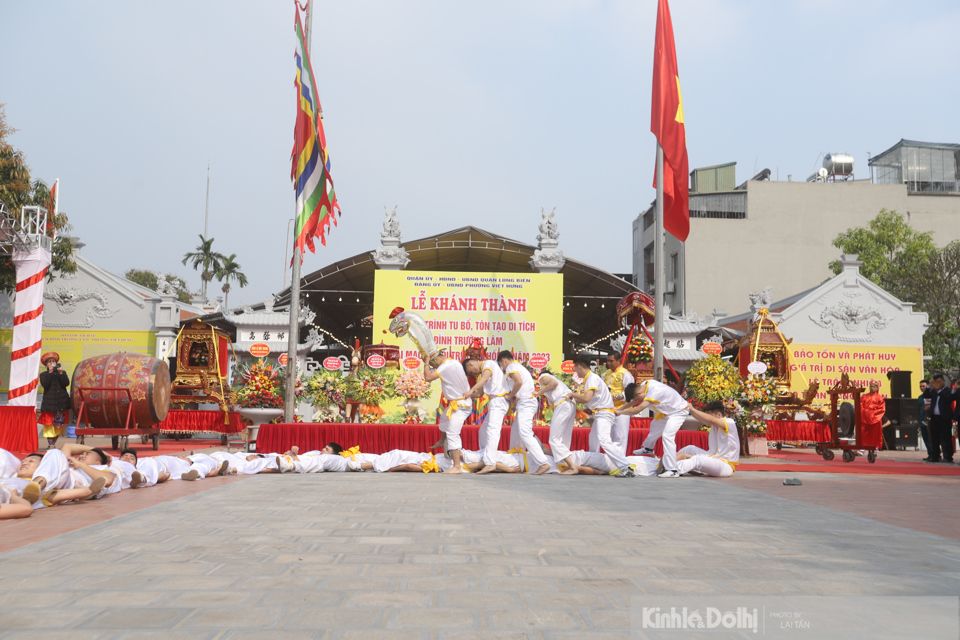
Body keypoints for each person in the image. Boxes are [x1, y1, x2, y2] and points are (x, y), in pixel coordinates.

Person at [568, 354, 635, 477]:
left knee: (605, 440)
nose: (575, 371)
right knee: (594, 440)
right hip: (601, 413)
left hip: (606, 412)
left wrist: (571, 395)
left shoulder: (592, 378)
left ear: (579, 366)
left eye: (574, 368)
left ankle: (625, 466)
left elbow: (586, 398)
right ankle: (594, 463)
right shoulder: (595, 377)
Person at [617, 377, 691, 478]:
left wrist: (620, 413)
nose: (640, 401)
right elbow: (634, 402)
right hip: (666, 412)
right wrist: (619, 409)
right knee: (654, 427)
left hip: (679, 411)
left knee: (667, 436)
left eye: (639, 399)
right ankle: (648, 448)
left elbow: (636, 410)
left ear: (639, 393)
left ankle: (673, 470)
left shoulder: (654, 392)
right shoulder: (644, 384)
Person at [499, 351, 549, 475]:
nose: (502, 368)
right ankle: (517, 457)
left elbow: (519, 382)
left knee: (525, 432)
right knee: (516, 431)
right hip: (525, 402)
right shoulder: (518, 366)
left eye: (501, 364)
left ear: (504, 360)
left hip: (526, 402)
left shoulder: (511, 367)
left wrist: (510, 396)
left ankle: (543, 463)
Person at [424, 353, 473, 474]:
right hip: (459, 403)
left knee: (452, 433)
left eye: (432, 363)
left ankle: (457, 467)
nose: (432, 366)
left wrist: (425, 362)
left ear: (436, 359)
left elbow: (428, 377)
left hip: (460, 405)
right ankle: (442, 440)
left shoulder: (445, 366)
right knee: (445, 419)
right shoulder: (454, 362)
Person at [461, 358, 511, 474]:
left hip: (499, 400)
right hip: (495, 401)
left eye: (470, 372)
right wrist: (464, 396)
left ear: (471, 364)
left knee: (492, 431)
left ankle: (490, 463)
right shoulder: (484, 372)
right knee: (483, 430)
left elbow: (484, 379)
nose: (473, 374)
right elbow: (480, 394)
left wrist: (470, 390)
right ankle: (485, 457)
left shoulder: (488, 364)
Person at [674, 401, 740, 477]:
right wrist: (690, 410)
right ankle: (669, 461)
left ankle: (672, 469)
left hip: (725, 466)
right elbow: (701, 418)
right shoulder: (714, 425)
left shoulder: (729, 422)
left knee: (697, 459)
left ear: (719, 415)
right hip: (713, 458)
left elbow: (712, 419)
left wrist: (693, 409)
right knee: (689, 448)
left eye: (708, 415)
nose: (707, 418)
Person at [534, 371, 577, 475]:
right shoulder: (561, 386)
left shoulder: (543, 377)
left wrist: (538, 392)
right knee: (564, 441)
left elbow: (553, 383)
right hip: (570, 404)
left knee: (554, 439)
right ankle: (561, 461)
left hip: (563, 403)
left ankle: (572, 467)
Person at [38, 352, 72, 449]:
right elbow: (45, 384)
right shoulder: (44, 375)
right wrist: (50, 373)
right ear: (46, 365)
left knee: (60, 426)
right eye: (49, 362)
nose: (51, 363)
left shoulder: (62, 373)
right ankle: (51, 444)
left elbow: (66, 383)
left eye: (53, 361)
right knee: (49, 425)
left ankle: (53, 442)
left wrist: (61, 373)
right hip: (49, 404)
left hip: (61, 403)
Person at [603, 352, 635, 456]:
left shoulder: (625, 374)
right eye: (607, 361)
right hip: (608, 409)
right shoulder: (605, 374)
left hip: (622, 409)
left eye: (611, 361)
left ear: (618, 361)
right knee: (609, 437)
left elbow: (629, 393)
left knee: (620, 437)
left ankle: (620, 460)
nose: (608, 363)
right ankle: (610, 461)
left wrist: (614, 396)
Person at [922, 375, 955, 463]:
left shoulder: (948, 391)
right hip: (934, 417)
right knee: (934, 438)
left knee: (946, 438)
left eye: (940, 382)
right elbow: (925, 395)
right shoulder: (933, 391)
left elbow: (948, 399)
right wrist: (929, 386)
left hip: (945, 418)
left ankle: (948, 457)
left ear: (944, 381)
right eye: (936, 382)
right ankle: (935, 456)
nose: (938, 384)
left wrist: (938, 390)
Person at [859, 381, 886, 452]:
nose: (872, 388)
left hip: (875, 419)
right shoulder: (864, 396)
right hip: (864, 418)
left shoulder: (879, 398)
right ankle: (862, 447)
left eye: (874, 386)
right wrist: (866, 413)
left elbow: (882, 409)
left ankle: (875, 447)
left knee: (875, 434)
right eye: (871, 386)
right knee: (863, 433)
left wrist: (871, 414)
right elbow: (860, 405)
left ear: (877, 388)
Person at [918, 379, 932, 460]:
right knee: (925, 438)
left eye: (923, 386)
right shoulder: (920, 397)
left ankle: (935, 454)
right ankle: (930, 454)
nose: (922, 388)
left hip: (930, 421)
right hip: (922, 420)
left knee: (931, 439)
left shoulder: (931, 396)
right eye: (920, 386)